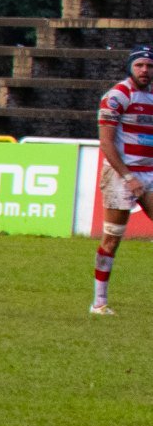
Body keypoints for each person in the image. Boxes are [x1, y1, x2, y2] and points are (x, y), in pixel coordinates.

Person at [89, 46, 153, 316]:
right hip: (119, 174)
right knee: (112, 238)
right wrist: (128, 177)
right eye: (140, 65)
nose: (145, 70)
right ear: (130, 67)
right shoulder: (116, 96)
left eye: (149, 66)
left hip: (149, 173)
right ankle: (99, 303)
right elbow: (106, 142)